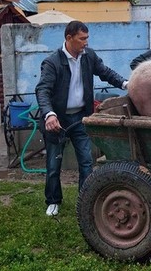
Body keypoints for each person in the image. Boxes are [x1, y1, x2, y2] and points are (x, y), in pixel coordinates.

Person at [35, 20, 129, 217]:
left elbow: (105, 73)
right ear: (69, 38)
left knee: (86, 162)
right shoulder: (52, 62)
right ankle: (53, 201)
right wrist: (49, 114)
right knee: (53, 165)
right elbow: (43, 90)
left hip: (80, 118)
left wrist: (126, 83)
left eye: (87, 38)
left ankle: (86, 201)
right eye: (82, 38)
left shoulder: (89, 56)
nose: (86, 42)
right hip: (57, 121)